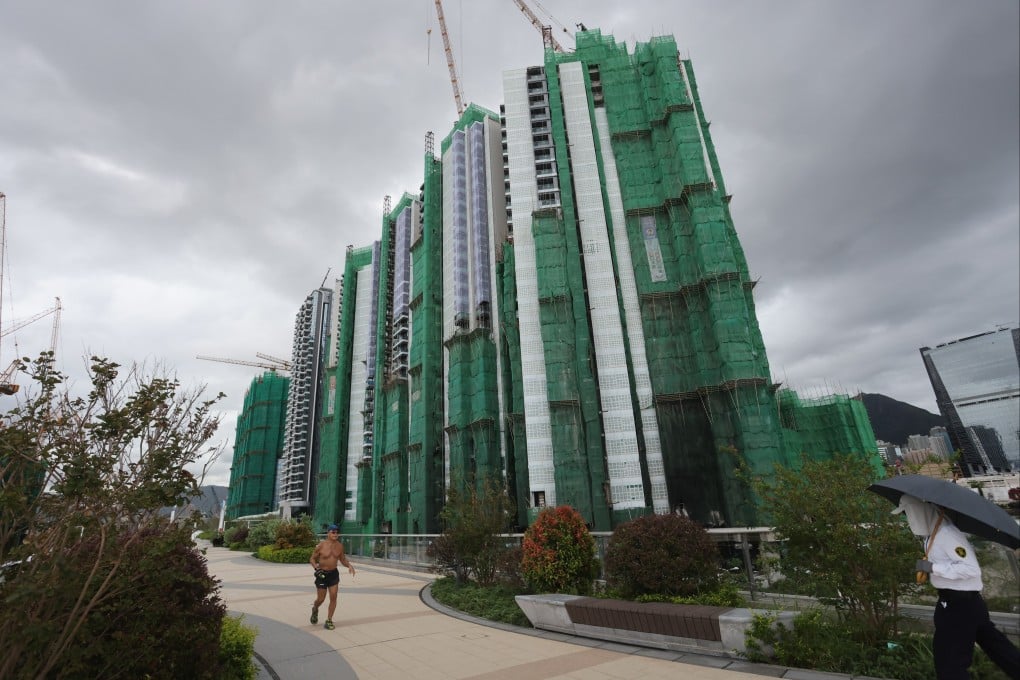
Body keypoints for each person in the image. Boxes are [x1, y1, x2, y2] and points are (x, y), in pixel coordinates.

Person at [893, 494, 1020, 679]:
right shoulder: (931, 535)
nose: (907, 518)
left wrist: (932, 567)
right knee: (998, 648)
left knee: (949, 663)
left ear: (919, 512)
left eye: (907, 513)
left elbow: (971, 569)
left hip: (959, 604)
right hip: (963, 603)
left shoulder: (947, 534)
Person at [309, 523, 356, 630]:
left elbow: (342, 559)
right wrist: (316, 569)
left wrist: (349, 565)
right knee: (321, 599)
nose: (336, 534)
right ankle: (315, 608)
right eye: (333, 532)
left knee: (333, 596)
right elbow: (312, 559)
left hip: (334, 574)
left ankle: (329, 620)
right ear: (328, 533)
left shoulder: (339, 546)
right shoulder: (321, 545)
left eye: (337, 532)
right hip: (322, 574)